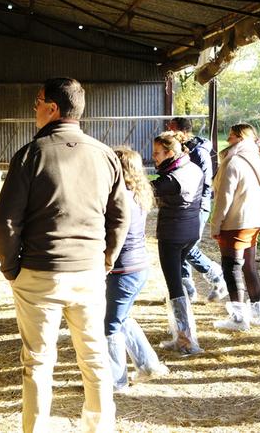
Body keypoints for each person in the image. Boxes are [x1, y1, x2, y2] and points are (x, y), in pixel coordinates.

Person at [0, 78, 130, 432]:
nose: (34, 108)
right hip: (88, 273)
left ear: (52, 108)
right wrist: (105, 261)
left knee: (38, 362)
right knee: (94, 356)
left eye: (37, 101)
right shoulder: (105, 155)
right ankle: (99, 427)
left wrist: (11, 268)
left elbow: (6, 218)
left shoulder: (31, 155)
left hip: (40, 273)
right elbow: (120, 216)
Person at [105, 146, 169, 392]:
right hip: (136, 266)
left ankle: (116, 381)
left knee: (109, 325)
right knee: (122, 318)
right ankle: (148, 364)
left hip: (124, 270)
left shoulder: (121, 197)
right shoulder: (136, 192)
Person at [209, 124, 260, 330]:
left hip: (235, 221)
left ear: (240, 138)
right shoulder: (258, 159)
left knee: (231, 268)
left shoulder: (233, 161)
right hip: (253, 220)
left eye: (231, 137)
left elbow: (224, 199)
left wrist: (215, 225)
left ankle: (238, 318)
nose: (228, 141)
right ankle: (257, 313)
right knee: (249, 267)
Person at [150, 131, 204, 356]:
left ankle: (186, 339)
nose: (153, 157)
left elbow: (143, 190)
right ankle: (181, 335)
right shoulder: (192, 167)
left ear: (170, 153)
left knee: (174, 288)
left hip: (173, 234)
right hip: (190, 230)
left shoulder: (171, 179)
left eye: (156, 154)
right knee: (178, 283)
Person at [167, 117, 228, 303]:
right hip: (183, 204)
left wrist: (195, 203)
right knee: (180, 246)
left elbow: (204, 183)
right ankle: (187, 288)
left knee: (188, 246)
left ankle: (217, 277)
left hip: (197, 204)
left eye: (171, 130)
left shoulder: (199, 152)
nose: (169, 133)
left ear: (183, 132)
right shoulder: (179, 151)